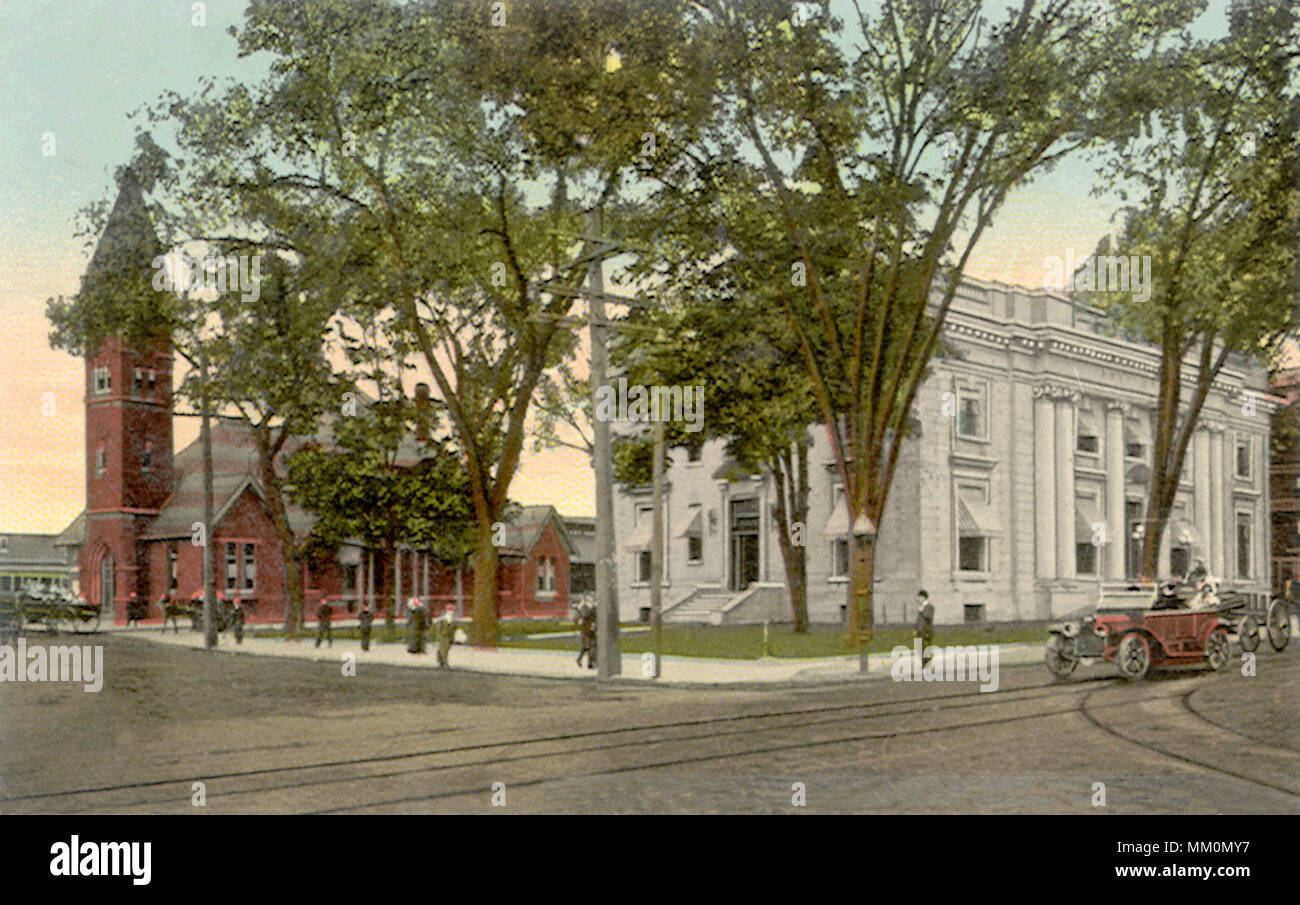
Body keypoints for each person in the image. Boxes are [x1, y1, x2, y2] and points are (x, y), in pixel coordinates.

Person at [914, 590, 935, 666]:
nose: (918, 599)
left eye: (919, 597)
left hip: (926, 631)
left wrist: (922, 611)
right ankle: (924, 662)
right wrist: (916, 629)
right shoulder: (921, 607)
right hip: (920, 630)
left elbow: (928, 617)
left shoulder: (929, 607)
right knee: (920, 647)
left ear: (923, 597)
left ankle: (927, 662)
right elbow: (918, 620)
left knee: (926, 646)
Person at [576, 604, 597, 670]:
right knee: (589, 648)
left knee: (588, 648)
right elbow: (587, 628)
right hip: (587, 634)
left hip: (587, 634)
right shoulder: (587, 620)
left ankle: (588, 662)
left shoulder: (587, 619)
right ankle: (589, 662)